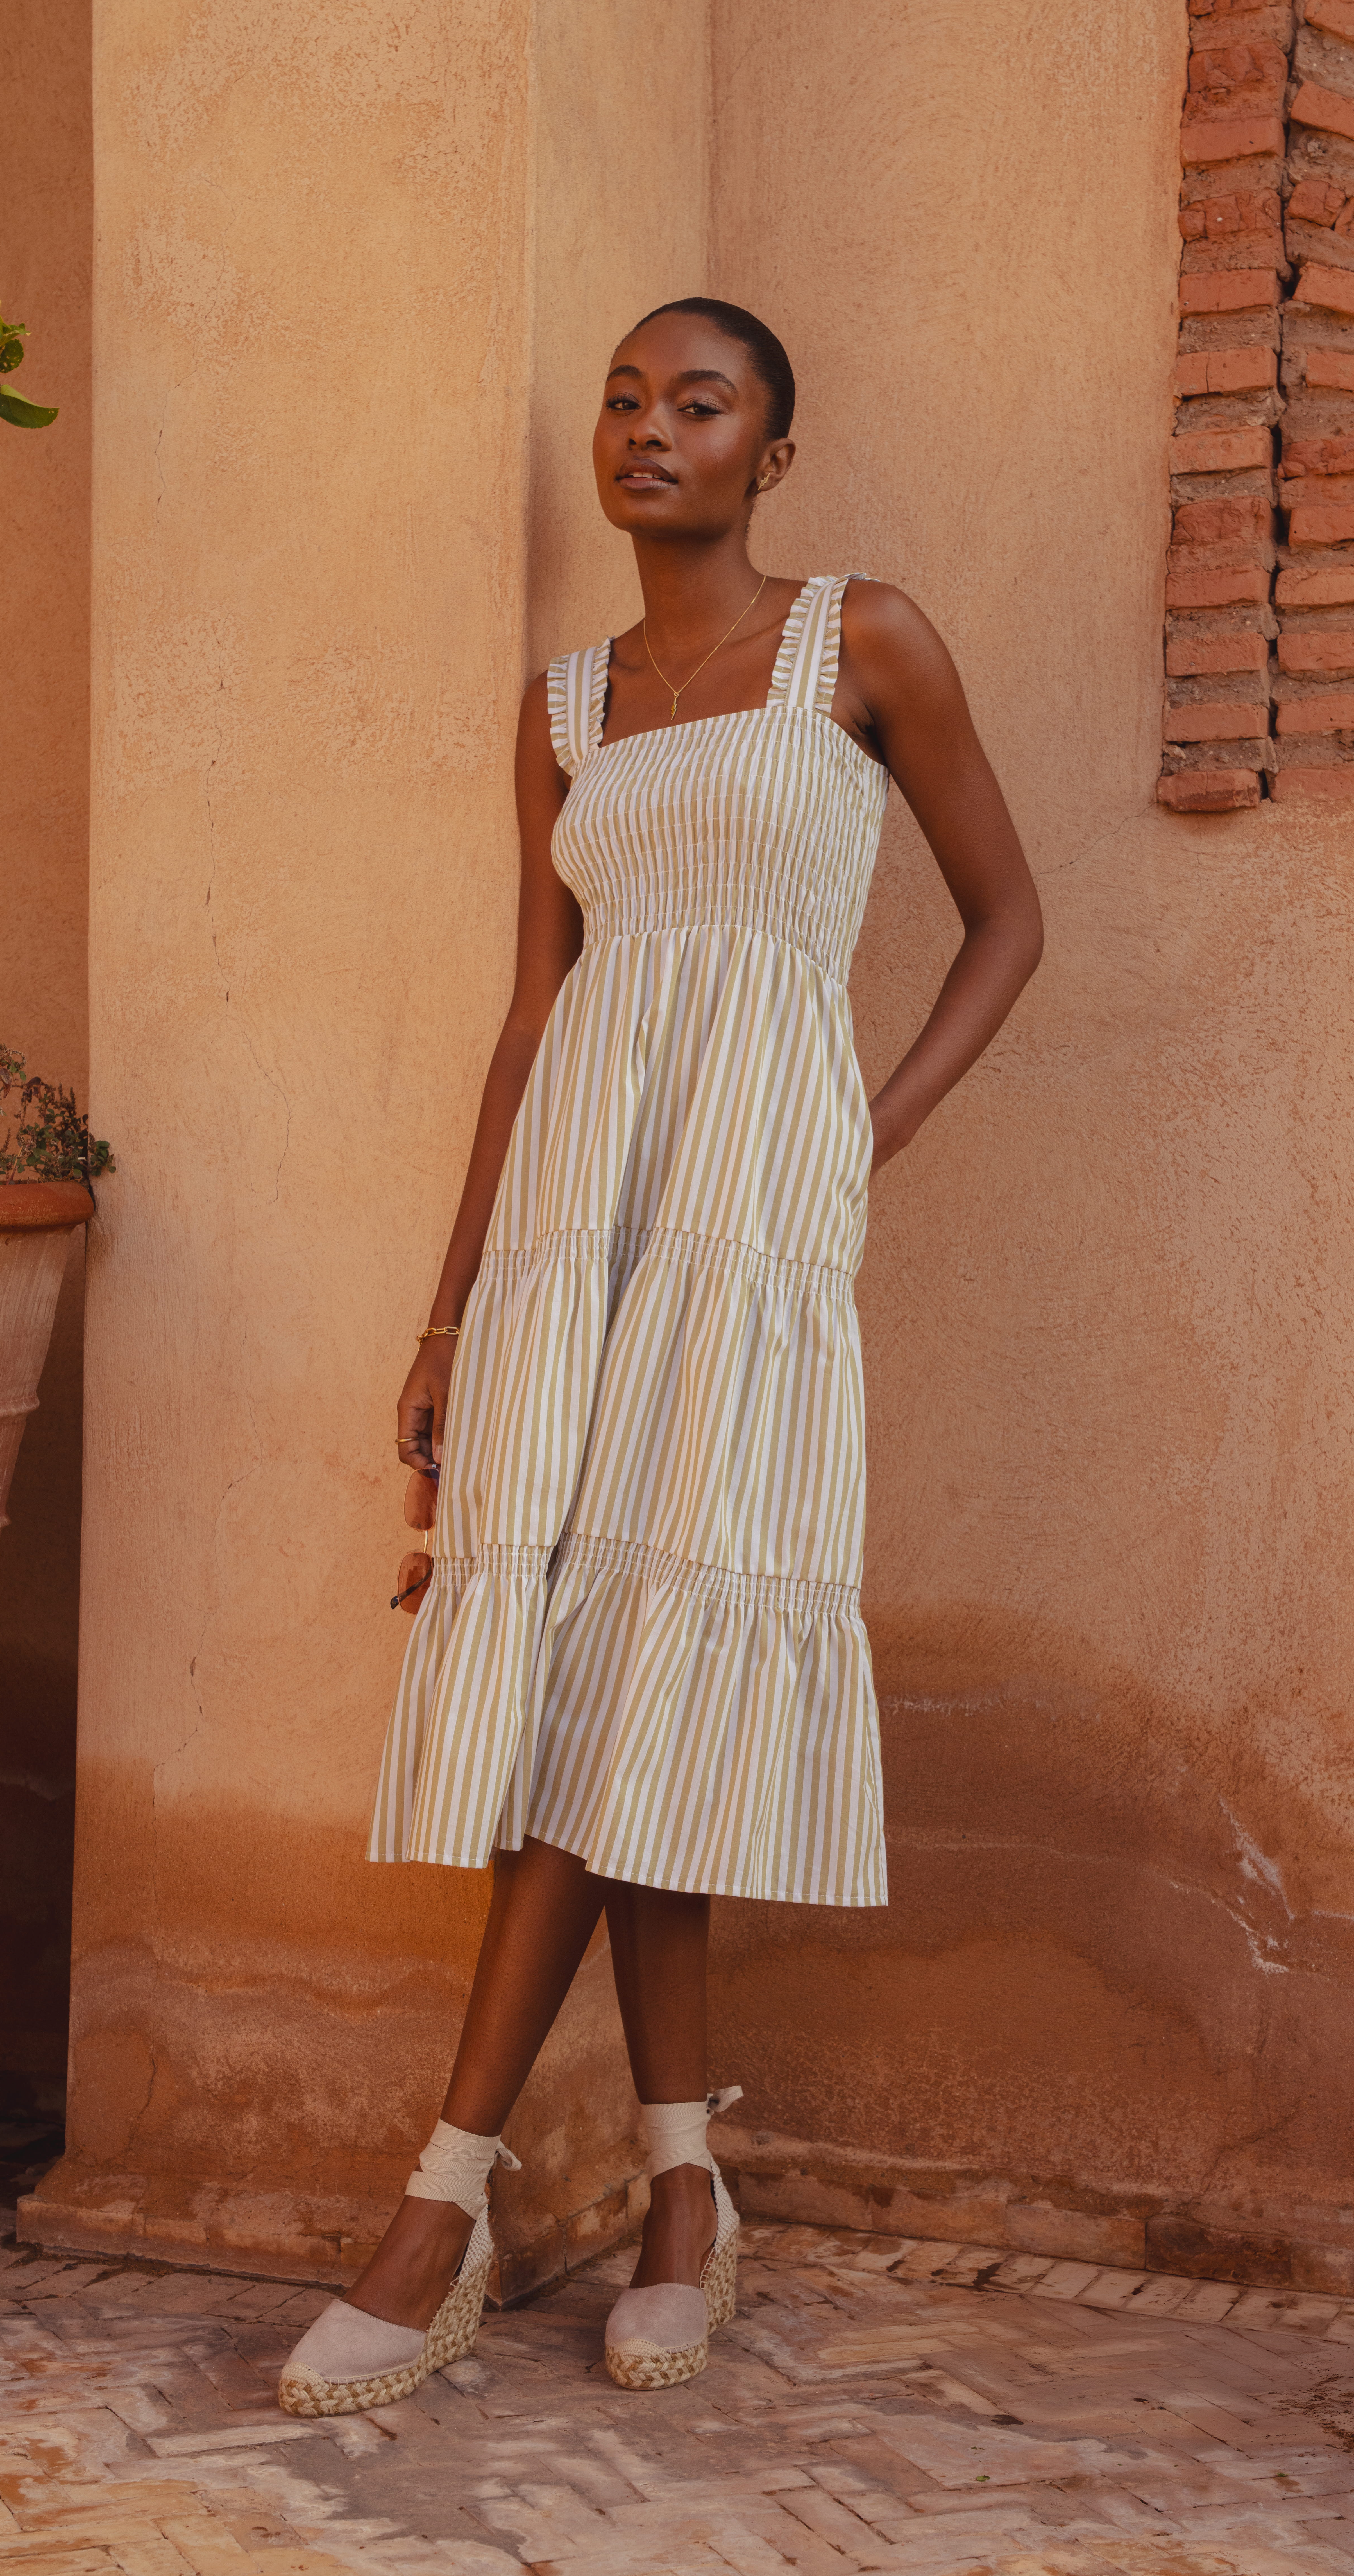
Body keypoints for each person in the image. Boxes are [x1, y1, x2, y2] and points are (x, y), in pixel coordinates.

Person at [279, 297, 1042, 2416]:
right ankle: (689, 2190)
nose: (648, 430)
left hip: (755, 1241)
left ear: (768, 460)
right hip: (573, 1240)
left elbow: (1010, 919)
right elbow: (534, 1023)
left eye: (697, 405)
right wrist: (449, 1310)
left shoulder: (863, 643)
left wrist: (853, 1145)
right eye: (623, 399)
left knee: (652, 1669)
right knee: (597, 1689)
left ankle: (437, 2209)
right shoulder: (561, 709)